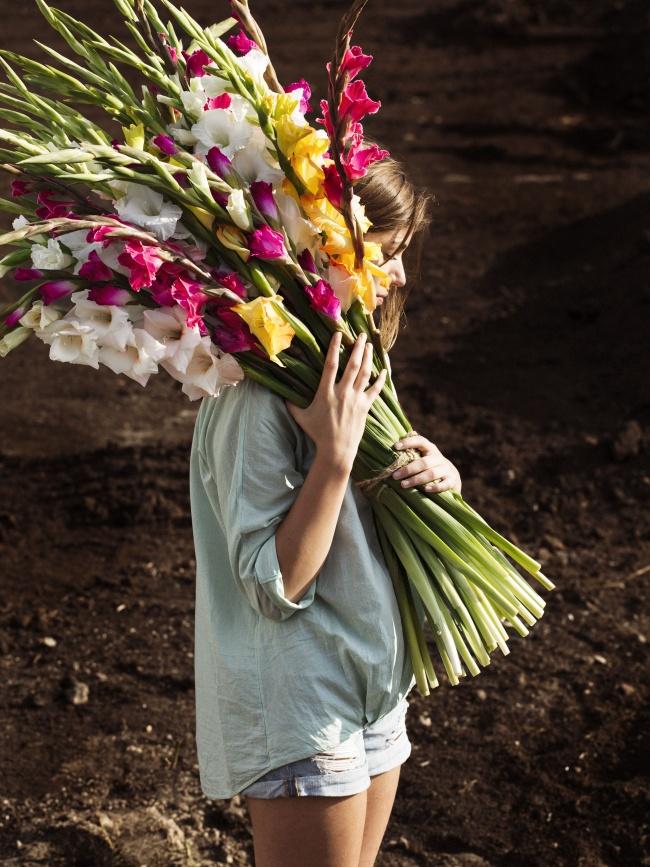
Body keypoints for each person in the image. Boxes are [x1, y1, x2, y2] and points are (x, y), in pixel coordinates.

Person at [188, 150, 463, 867]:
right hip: (301, 702)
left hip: (371, 680)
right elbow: (275, 584)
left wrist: (435, 475)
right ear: (326, 244)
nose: (401, 275)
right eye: (387, 253)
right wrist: (336, 457)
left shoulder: (353, 356)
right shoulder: (254, 395)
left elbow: (371, 515)